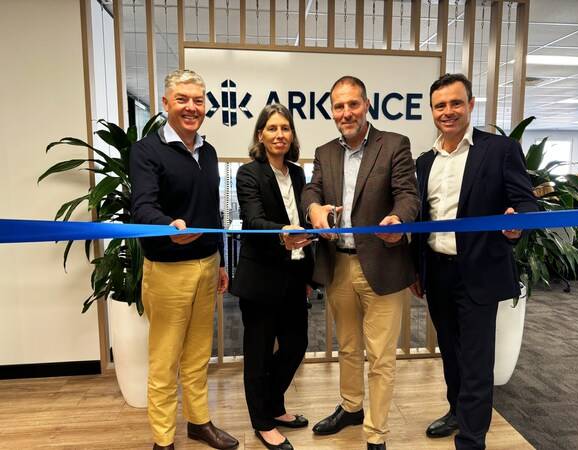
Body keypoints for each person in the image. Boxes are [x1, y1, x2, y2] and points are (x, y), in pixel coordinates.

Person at [411, 73, 538, 450]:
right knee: (450, 352)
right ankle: (456, 411)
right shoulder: (424, 161)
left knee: (477, 359)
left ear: (470, 105)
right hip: (438, 271)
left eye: (455, 103)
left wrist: (517, 223)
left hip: (479, 271)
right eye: (440, 106)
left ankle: (471, 439)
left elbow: (525, 201)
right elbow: (422, 220)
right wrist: (418, 270)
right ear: (432, 111)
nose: (447, 112)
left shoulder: (499, 150)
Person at [301, 76, 419, 450]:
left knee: (380, 356)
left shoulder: (395, 145)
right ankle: (351, 406)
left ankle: (376, 434)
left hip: (383, 265)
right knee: (348, 348)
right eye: (339, 106)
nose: (346, 112)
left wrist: (399, 220)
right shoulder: (325, 152)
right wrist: (314, 208)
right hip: (339, 265)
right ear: (331, 110)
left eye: (353, 104)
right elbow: (312, 189)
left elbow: (408, 196)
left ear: (367, 105)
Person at [130, 69, 239, 450]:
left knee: (197, 356)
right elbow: (142, 207)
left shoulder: (207, 153)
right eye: (182, 100)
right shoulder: (147, 151)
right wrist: (168, 227)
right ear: (165, 104)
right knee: (164, 362)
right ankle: (163, 441)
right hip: (167, 272)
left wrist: (222, 261)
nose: (191, 108)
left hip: (207, 266)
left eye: (197, 100)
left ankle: (198, 422)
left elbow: (212, 215)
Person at [229, 104, 314, 450]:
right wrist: (283, 233)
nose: (280, 134)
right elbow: (252, 221)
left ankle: (273, 405)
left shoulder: (297, 174)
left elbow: (303, 219)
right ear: (260, 135)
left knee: (297, 345)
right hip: (261, 278)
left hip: (295, 274)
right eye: (272, 128)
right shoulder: (248, 174)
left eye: (286, 128)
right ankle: (262, 421)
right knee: (259, 353)